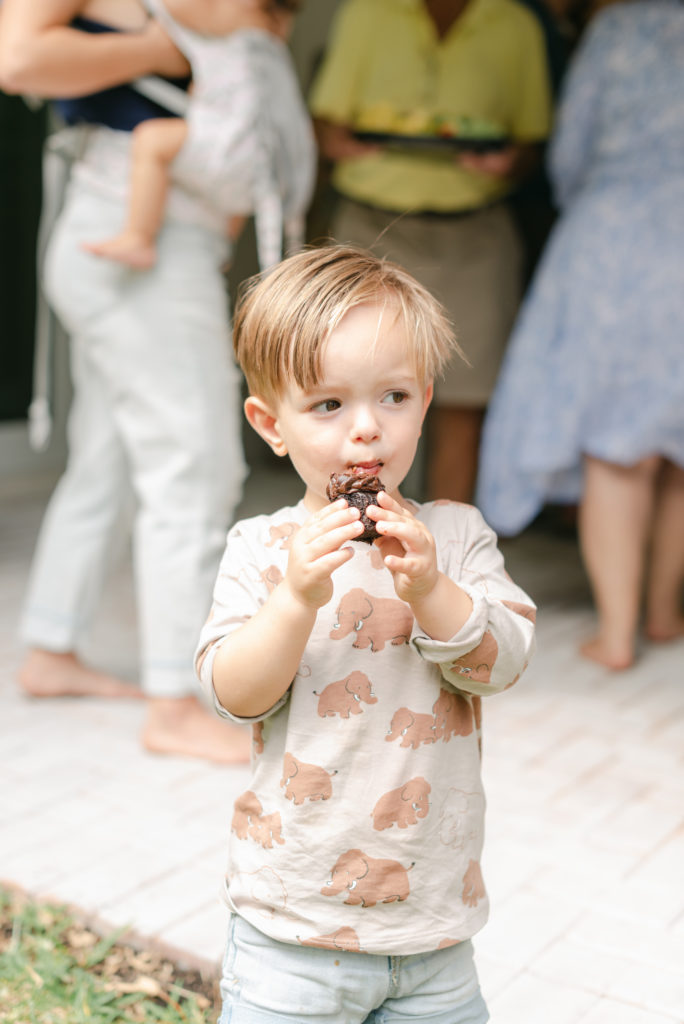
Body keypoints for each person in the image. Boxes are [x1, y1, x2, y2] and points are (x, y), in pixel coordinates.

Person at [194, 244, 536, 1022]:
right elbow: (232, 694)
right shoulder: (261, 548)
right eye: (327, 406)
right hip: (293, 925)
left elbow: (501, 664)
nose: (366, 433)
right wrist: (294, 601)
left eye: (392, 396)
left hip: (433, 929)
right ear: (269, 424)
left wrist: (430, 591)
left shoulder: (454, 539)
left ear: (425, 400)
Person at [0, 0, 289, 763]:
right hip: (144, 252)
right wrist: (162, 46)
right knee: (193, 465)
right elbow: (14, 56)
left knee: (114, 459)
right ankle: (178, 700)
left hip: (148, 241)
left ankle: (52, 647)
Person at [476, 0, 684, 670]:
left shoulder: (620, 27)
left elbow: (570, 153)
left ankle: (618, 633)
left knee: (616, 447)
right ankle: (662, 610)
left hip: (616, 240)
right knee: (678, 444)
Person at [308, 0, 552, 504]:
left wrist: (511, 161)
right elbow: (326, 123)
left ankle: (443, 555)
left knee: (463, 403)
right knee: (344, 400)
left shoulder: (515, 25)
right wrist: (337, 144)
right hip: (369, 226)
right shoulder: (368, 12)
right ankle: (353, 546)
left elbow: (532, 141)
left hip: (475, 234)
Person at [82, 0, 312, 271]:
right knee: (227, 191)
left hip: (234, 141)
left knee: (151, 140)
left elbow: (176, 7)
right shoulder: (272, 32)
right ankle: (224, 243)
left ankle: (139, 236)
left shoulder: (232, 14)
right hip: (263, 160)